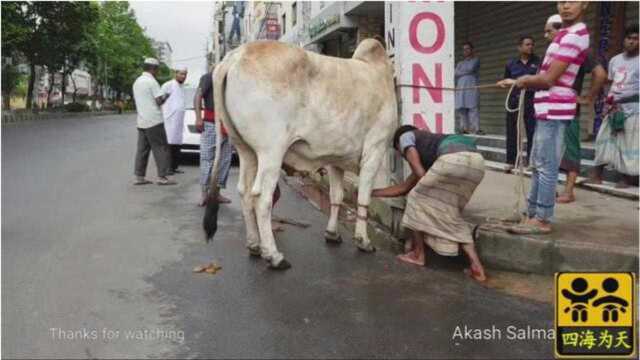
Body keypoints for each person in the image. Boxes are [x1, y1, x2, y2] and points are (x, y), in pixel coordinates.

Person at [498, 2, 590, 234]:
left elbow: (549, 79)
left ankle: (542, 218)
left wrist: (521, 81)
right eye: (561, 1)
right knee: (538, 165)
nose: (566, 6)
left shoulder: (574, 36)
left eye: (572, 1)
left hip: (554, 109)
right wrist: (519, 82)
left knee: (547, 166)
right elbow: (544, 76)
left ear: (585, 3)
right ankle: (532, 213)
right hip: (546, 108)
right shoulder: (565, 34)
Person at [370, 125, 487, 283]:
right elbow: (403, 187)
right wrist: (370, 192)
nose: (403, 155)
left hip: (452, 159)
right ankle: (476, 266)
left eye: (399, 151)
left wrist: (419, 180)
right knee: (450, 212)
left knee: (415, 198)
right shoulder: (431, 151)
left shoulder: (405, 136)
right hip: (477, 162)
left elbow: (419, 174)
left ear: (398, 144)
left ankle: (418, 254)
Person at [546, 15, 607, 203]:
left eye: (549, 31)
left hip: (568, 109)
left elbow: (600, 74)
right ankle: (551, 190)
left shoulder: (581, 50)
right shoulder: (553, 51)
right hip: (549, 108)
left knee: (570, 149)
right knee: (551, 151)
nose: (546, 35)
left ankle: (569, 191)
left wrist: (589, 97)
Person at [587, 23, 639, 188]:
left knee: (628, 143)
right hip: (613, 108)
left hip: (634, 109)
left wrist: (624, 101)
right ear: (624, 40)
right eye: (629, 38)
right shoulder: (615, 60)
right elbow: (610, 83)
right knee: (604, 139)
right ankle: (597, 174)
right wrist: (607, 101)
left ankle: (626, 178)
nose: (632, 42)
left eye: (636, 39)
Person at [132, 58, 176, 186]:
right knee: (161, 148)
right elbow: (159, 101)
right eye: (157, 69)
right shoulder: (152, 82)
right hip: (154, 120)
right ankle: (162, 177)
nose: (157, 72)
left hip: (141, 121)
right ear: (153, 69)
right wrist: (166, 96)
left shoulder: (137, 82)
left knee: (142, 150)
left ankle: (139, 177)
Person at [195, 67, 233, 206]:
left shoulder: (231, 79)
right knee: (207, 159)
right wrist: (198, 118)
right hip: (211, 123)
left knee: (225, 160)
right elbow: (198, 96)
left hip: (228, 124)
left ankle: (216, 194)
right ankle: (204, 194)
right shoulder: (208, 77)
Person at [503, 35, 541, 171]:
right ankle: (511, 161)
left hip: (531, 100)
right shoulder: (511, 64)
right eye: (527, 44)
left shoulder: (539, 62)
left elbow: (540, 80)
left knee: (532, 131)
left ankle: (531, 161)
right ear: (519, 47)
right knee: (512, 130)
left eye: (532, 44)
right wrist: (504, 84)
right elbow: (506, 81)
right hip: (515, 99)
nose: (530, 47)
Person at [161, 65, 188, 175]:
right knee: (169, 144)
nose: (183, 76)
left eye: (185, 74)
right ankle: (168, 168)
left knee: (177, 144)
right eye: (181, 74)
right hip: (170, 119)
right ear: (175, 74)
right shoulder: (168, 85)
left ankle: (175, 167)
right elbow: (160, 99)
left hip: (179, 120)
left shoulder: (182, 87)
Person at [455, 42, 483, 135]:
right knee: (461, 109)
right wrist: (463, 71)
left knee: (473, 108)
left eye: (467, 49)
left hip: (471, 86)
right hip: (461, 87)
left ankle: (476, 129)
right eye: (464, 49)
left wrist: (461, 71)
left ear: (472, 50)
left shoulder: (476, 60)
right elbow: (455, 73)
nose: (465, 51)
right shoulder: (460, 63)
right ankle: (464, 128)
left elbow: (470, 68)